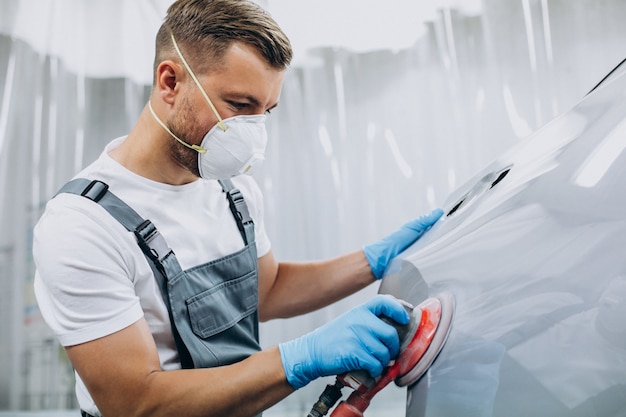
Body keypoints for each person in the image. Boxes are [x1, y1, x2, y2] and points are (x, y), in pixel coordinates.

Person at [32, 1, 442, 416]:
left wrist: (374, 262)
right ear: (170, 82)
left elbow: (268, 289)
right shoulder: (83, 226)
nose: (252, 134)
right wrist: (301, 358)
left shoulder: (232, 191)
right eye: (240, 105)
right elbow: (137, 403)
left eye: (266, 112)